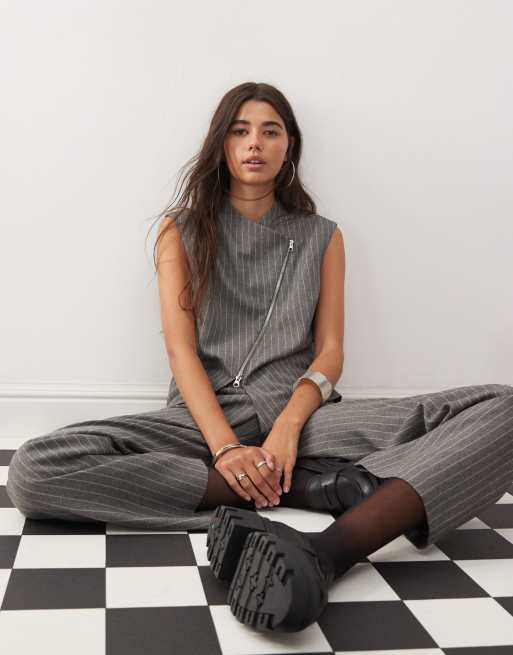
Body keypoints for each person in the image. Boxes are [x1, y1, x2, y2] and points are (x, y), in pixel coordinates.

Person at [6, 82, 513, 634]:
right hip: (204, 420)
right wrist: (226, 447)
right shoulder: (181, 230)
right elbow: (180, 351)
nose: (255, 143)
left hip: (306, 421)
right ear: (221, 143)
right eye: (240, 131)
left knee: (502, 407)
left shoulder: (323, 236)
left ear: (289, 146)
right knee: (34, 469)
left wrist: (289, 427)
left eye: (270, 131)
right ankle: (298, 487)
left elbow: (330, 352)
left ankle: (328, 553)